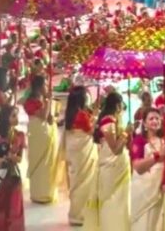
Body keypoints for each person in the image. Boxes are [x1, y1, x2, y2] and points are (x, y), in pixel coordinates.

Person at [83, 92, 131, 230]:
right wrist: (126, 132)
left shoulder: (113, 120)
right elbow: (115, 149)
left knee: (120, 199)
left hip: (118, 165)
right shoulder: (108, 121)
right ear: (117, 105)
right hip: (112, 164)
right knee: (112, 200)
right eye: (121, 104)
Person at [130, 108, 165, 231]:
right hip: (145, 193)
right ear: (145, 123)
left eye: (157, 118)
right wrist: (157, 156)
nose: (155, 121)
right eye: (151, 119)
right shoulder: (139, 141)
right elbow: (138, 167)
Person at [23, 74, 59, 204]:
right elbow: (43, 116)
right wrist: (48, 101)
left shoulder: (43, 100)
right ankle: (39, 194)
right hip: (37, 133)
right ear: (39, 86)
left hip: (46, 132)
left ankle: (48, 192)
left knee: (48, 163)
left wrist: (51, 108)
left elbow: (49, 118)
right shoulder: (30, 102)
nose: (47, 87)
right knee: (39, 161)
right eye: (45, 84)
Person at [63, 86, 97, 227]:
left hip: (73, 150)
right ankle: (80, 215)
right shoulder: (82, 115)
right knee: (84, 181)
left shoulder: (69, 113)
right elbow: (90, 131)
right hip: (83, 151)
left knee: (76, 180)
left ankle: (74, 214)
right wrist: (95, 119)